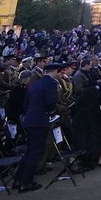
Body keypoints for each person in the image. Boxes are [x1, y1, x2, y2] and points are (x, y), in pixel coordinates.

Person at [15, 62, 65, 193]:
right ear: (55, 71)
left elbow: (26, 102)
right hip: (39, 120)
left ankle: (19, 179)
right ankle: (26, 182)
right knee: (35, 152)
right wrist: (52, 113)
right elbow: (50, 103)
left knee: (30, 150)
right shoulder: (51, 84)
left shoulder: (35, 83)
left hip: (29, 119)